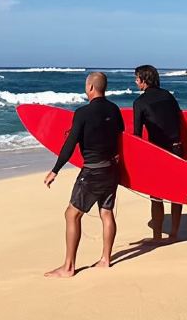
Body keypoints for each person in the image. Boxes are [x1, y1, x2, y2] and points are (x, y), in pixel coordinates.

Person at [43, 72, 123, 278]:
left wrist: (55, 170)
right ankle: (106, 259)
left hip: (93, 171)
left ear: (91, 88)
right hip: (111, 169)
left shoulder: (83, 113)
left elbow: (70, 145)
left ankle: (68, 267)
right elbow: (122, 138)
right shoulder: (114, 110)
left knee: (72, 214)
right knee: (106, 212)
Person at [132, 64, 184, 242]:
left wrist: (135, 160)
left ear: (144, 80)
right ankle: (174, 234)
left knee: (156, 195)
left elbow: (137, 135)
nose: (136, 81)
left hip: (158, 152)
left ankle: (157, 237)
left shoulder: (139, 102)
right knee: (177, 194)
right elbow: (179, 120)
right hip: (177, 149)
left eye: (137, 78)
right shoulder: (169, 96)